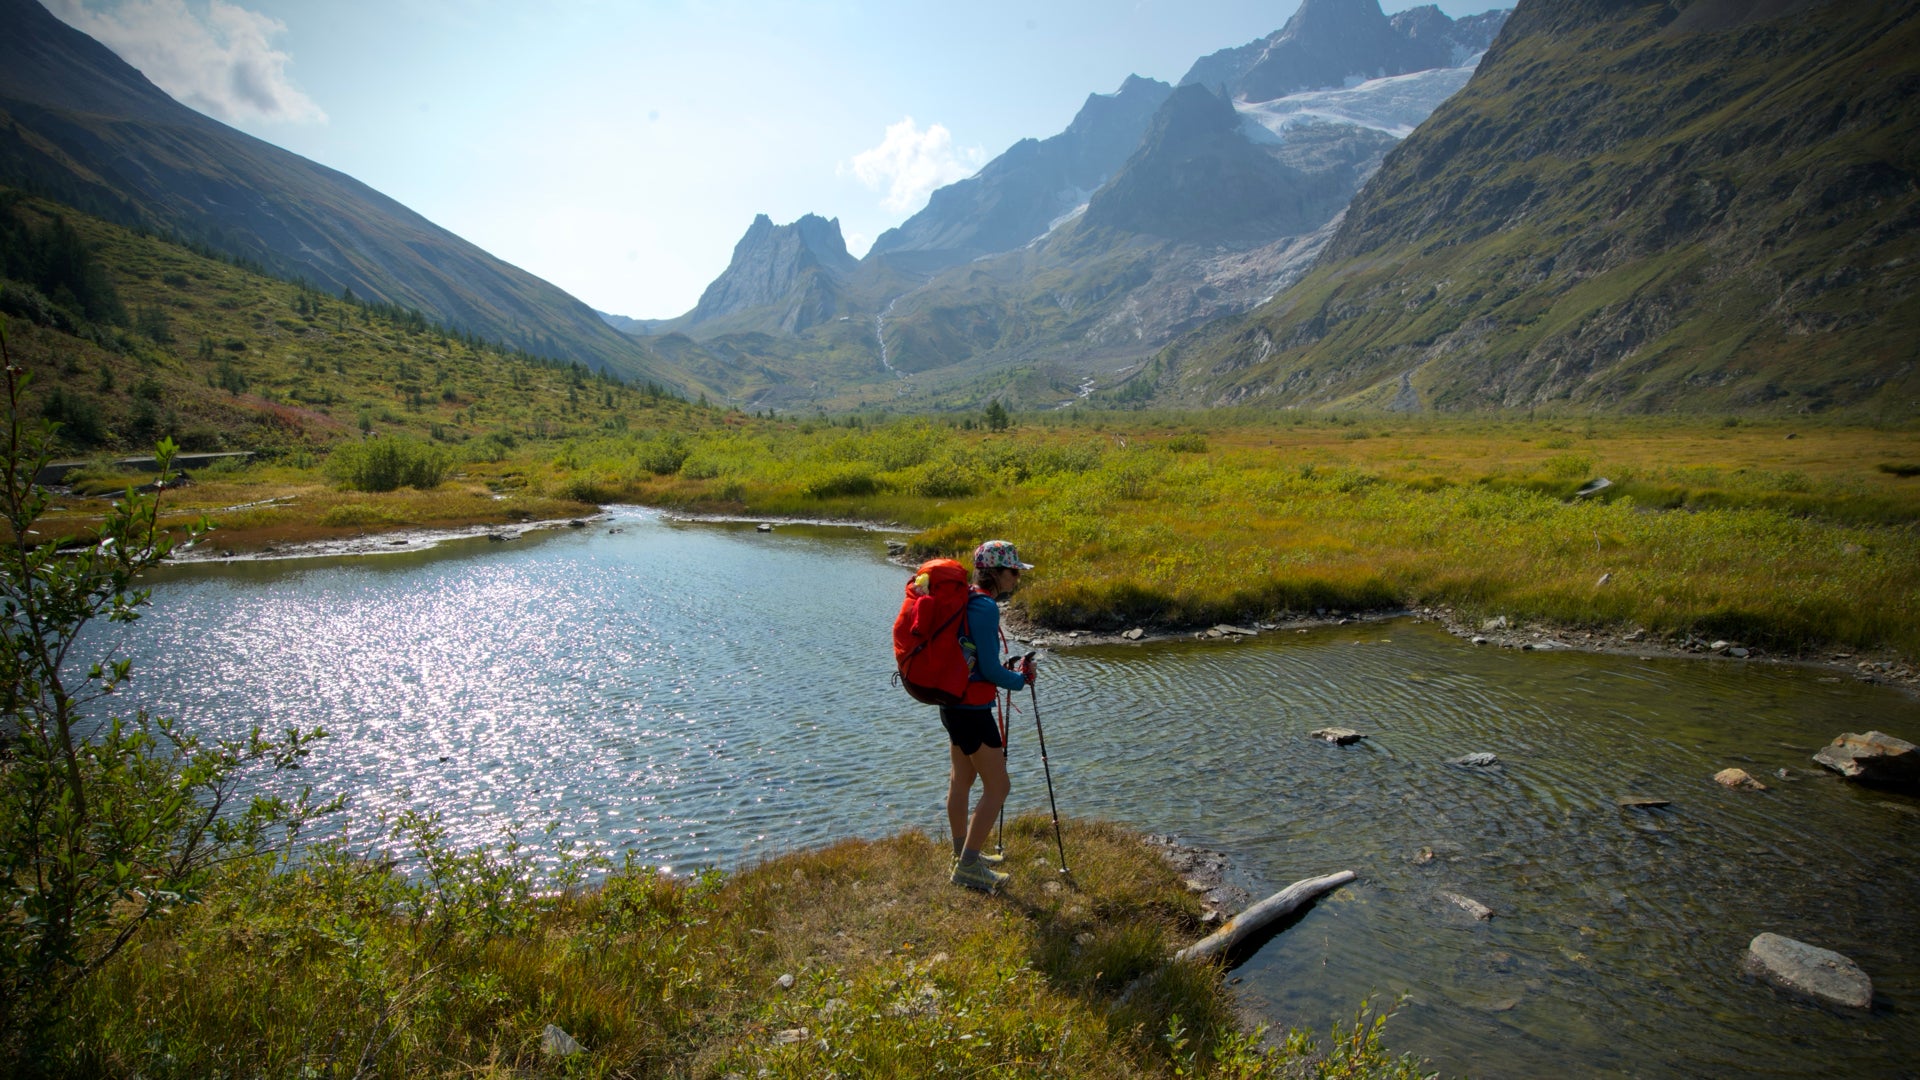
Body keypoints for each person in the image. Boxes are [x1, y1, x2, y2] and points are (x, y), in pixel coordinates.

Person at [944, 539, 1038, 892]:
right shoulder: (984, 609)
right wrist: (1021, 679)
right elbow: (988, 669)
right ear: (996, 573)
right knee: (999, 786)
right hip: (971, 710)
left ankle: (962, 852)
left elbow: (972, 661)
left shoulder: (964, 599)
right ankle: (967, 866)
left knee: (961, 781)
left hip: (951, 704)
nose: (1017, 577)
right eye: (1014, 571)